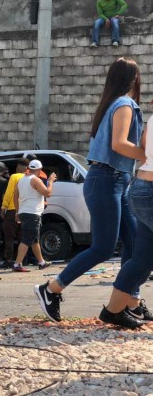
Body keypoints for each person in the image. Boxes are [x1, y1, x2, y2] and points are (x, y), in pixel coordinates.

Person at [35, 57, 146, 322]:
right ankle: (51, 289)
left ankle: (131, 303)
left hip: (114, 180)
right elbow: (119, 144)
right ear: (134, 79)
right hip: (107, 180)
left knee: (134, 246)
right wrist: (147, 155)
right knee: (104, 248)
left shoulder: (112, 104)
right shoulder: (124, 104)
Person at [99, 114, 153, 329]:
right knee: (142, 260)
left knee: (143, 259)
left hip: (140, 188)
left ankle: (112, 311)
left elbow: (143, 147)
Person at [12, 160, 55, 272]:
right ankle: (17, 264)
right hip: (32, 213)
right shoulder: (35, 180)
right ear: (40, 170)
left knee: (34, 239)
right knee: (27, 239)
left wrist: (17, 212)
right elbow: (48, 193)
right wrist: (50, 182)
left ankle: (41, 262)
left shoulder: (21, 181)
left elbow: (15, 196)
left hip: (24, 212)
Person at [0, 158, 29, 269]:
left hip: (12, 210)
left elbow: (9, 192)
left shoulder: (14, 177)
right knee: (23, 237)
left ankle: (9, 260)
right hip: (25, 211)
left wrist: (3, 207)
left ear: (19, 167)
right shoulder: (31, 178)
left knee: (9, 237)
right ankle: (22, 260)